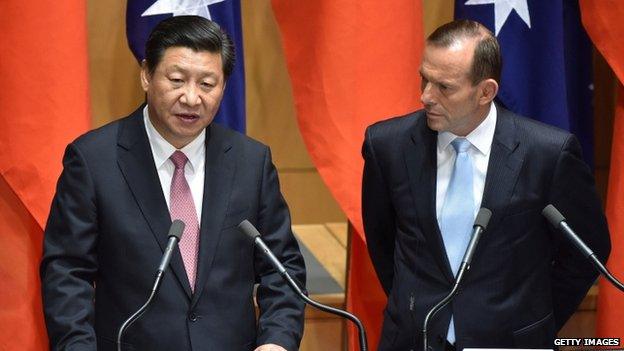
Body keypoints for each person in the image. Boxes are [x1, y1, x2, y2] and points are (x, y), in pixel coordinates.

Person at [40, 16, 305, 351]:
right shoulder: (94, 161)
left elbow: (283, 268)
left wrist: (277, 341)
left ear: (224, 86)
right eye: (177, 79)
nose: (192, 98)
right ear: (146, 75)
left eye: (207, 84)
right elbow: (66, 272)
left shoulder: (251, 162)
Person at [362, 19, 610, 351]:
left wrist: (532, 321)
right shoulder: (387, 146)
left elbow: (585, 252)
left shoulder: (547, 154)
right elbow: (384, 243)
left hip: (510, 343)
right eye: (424, 78)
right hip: (412, 340)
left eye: (444, 87)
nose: (425, 96)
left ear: (486, 91)